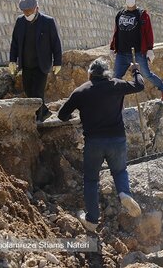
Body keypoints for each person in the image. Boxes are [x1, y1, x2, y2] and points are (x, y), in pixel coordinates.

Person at [57, 58, 144, 231]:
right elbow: (139, 85)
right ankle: (124, 193)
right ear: (107, 73)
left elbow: (62, 115)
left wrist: (75, 116)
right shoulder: (116, 84)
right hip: (117, 140)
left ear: (90, 74)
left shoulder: (81, 91)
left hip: (94, 142)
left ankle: (92, 220)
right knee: (119, 171)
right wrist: (135, 71)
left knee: (91, 180)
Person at [9, 0, 62, 123]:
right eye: (24, 12)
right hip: (26, 64)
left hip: (41, 64)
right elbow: (15, 42)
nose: (27, 14)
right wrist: (12, 60)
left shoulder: (48, 21)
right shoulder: (20, 22)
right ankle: (44, 112)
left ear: (36, 8)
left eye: (29, 11)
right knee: (28, 91)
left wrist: (58, 62)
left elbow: (56, 42)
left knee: (38, 93)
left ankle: (38, 120)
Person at [110, 0, 163, 101]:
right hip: (122, 53)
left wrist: (150, 49)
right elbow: (116, 32)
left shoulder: (142, 14)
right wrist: (112, 47)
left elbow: (148, 32)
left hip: (137, 52)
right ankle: (115, 101)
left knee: (147, 74)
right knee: (116, 77)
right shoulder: (120, 14)